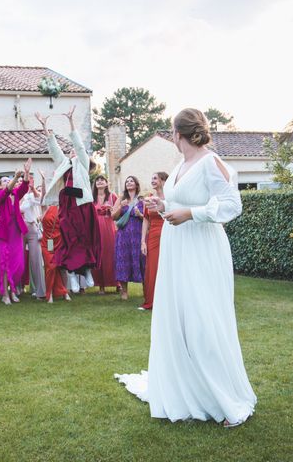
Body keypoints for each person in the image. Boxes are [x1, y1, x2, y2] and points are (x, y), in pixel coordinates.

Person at [115, 108, 256, 427]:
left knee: (202, 320)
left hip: (202, 249)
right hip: (177, 249)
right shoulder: (181, 164)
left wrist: (191, 214)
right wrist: (164, 206)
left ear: (179, 133)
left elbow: (233, 205)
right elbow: (182, 203)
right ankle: (189, 390)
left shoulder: (211, 162)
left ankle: (224, 397)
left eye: (172, 132)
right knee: (177, 320)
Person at [35, 107, 100, 293]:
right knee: (68, 239)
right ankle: (71, 273)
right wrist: (44, 126)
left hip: (82, 205)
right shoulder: (64, 165)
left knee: (85, 239)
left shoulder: (83, 163)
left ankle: (86, 271)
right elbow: (54, 149)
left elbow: (79, 145)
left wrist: (71, 122)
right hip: (68, 206)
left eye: (74, 150)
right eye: (70, 150)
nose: (72, 151)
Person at [0, 159, 32, 305]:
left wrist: (26, 173)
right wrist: (16, 177)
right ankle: (5, 294)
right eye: (4, 180)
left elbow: (24, 187)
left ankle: (13, 290)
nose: (7, 181)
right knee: (4, 263)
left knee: (17, 263)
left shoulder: (15, 194)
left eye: (8, 180)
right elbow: (6, 191)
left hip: (16, 232)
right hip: (4, 233)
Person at [38, 170, 70, 304]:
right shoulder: (45, 208)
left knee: (61, 267)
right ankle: (49, 293)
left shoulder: (62, 207)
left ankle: (65, 292)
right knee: (50, 267)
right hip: (47, 242)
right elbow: (43, 196)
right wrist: (44, 181)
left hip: (60, 241)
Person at [111, 176, 145, 300]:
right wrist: (121, 206)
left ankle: (145, 289)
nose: (129, 183)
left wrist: (140, 214)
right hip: (123, 235)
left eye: (131, 181)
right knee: (123, 260)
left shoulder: (142, 200)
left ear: (136, 184)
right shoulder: (121, 199)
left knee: (141, 260)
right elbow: (113, 216)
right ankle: (124, 292)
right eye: (127, 181)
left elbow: (148, 218)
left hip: (138, 234)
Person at [139, 172, 168, 311]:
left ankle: (168, 301)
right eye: (152, 178)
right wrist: (143, 241)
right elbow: (146, 220)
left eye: (155, 178)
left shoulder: (170, 197)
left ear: (163, 180)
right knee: (152, 266)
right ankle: (151, 301)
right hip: (153, 235)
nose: (152, 180)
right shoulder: (149, 199)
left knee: (168, 266)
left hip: (169, 232)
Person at [91, 175, 118, 294]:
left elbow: (119, 211)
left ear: (107, 183)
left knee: (112, 254)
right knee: (98, 255)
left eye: (102, 180)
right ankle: (101, 285)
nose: (100, 181)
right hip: (96, 228)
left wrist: (111, 209)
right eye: (97, 180)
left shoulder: (112, 196)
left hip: (109, 227)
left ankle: (118, 283)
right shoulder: (92, 198)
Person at [19, 178, 46, 299]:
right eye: (18, 182)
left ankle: (40, 291)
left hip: (31, 228)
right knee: (18, 260)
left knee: (36, 259)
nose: (20, 183)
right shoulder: (14, 197)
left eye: (22, 181)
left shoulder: (30, 196)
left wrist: (33, 188)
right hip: (18, 231)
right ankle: (17, 288)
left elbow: (41, 199)